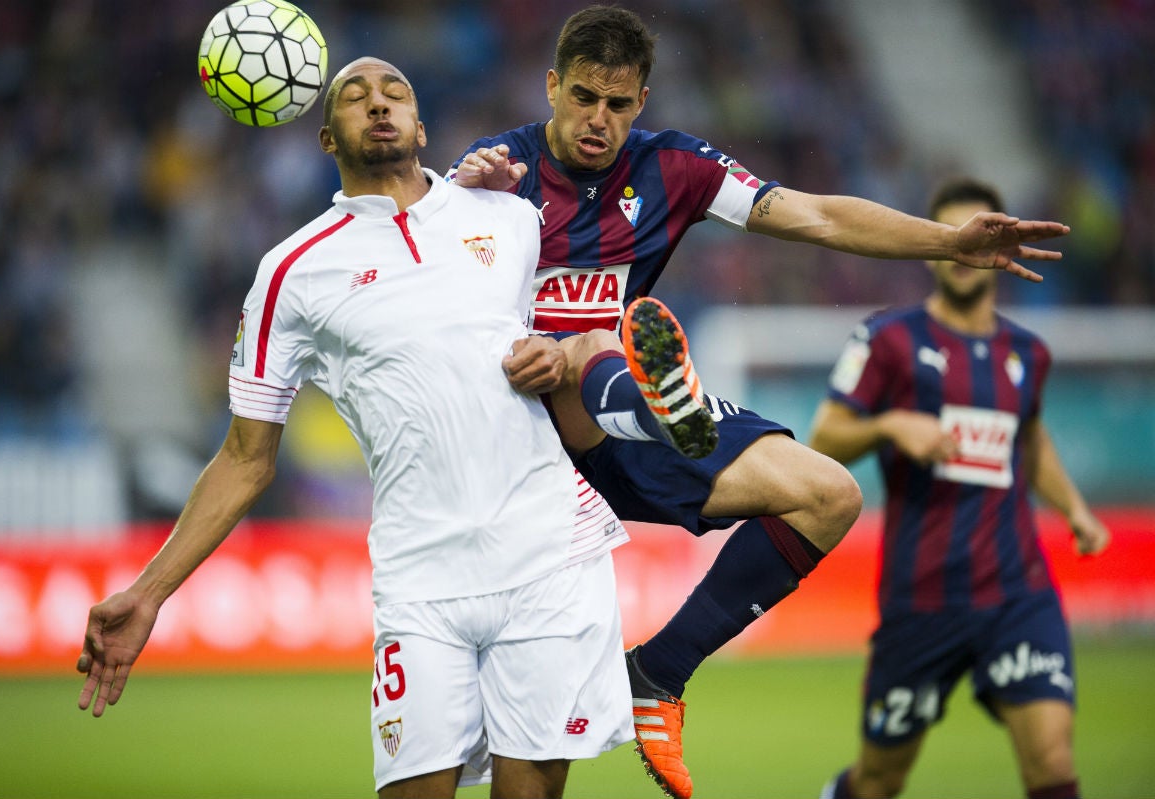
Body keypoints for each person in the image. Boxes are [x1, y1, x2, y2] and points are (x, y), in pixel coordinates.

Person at [448, 7, 1075, 798]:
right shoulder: (496, 170)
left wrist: (947, 241)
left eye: (617, 103)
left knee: (829, 495)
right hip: (511, 438)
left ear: (642, 99)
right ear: (551, 87)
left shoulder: (674, 168)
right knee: (594, 346)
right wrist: (460, 205)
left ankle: (660, 670)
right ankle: (656, 403)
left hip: (612, 437)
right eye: (581, 98)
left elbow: (814, 213)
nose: (597, 120)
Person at [75, 57, 636, 799]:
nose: (378, 103)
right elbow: (246, 458)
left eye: (395, 91)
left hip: (547, 557)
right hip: (420, 577)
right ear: (326, 139)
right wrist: (148, 592)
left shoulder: (509, 217)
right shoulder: (292, 272)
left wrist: (560, 355)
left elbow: (586, 329)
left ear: (421, 126)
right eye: (354, 97)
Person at [808, 178, 1111, 799]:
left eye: (985, 231)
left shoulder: (1029, 352)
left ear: (1006, 243)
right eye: (955, 234)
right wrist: (892, 424)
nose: (970, 246)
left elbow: (1028, 439)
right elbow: (824, 435)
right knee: (879, 782)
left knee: (1052, 767)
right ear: (933, 248)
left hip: (1016, 591)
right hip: (921, 600)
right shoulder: (888, 339)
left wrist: (1075, 509)